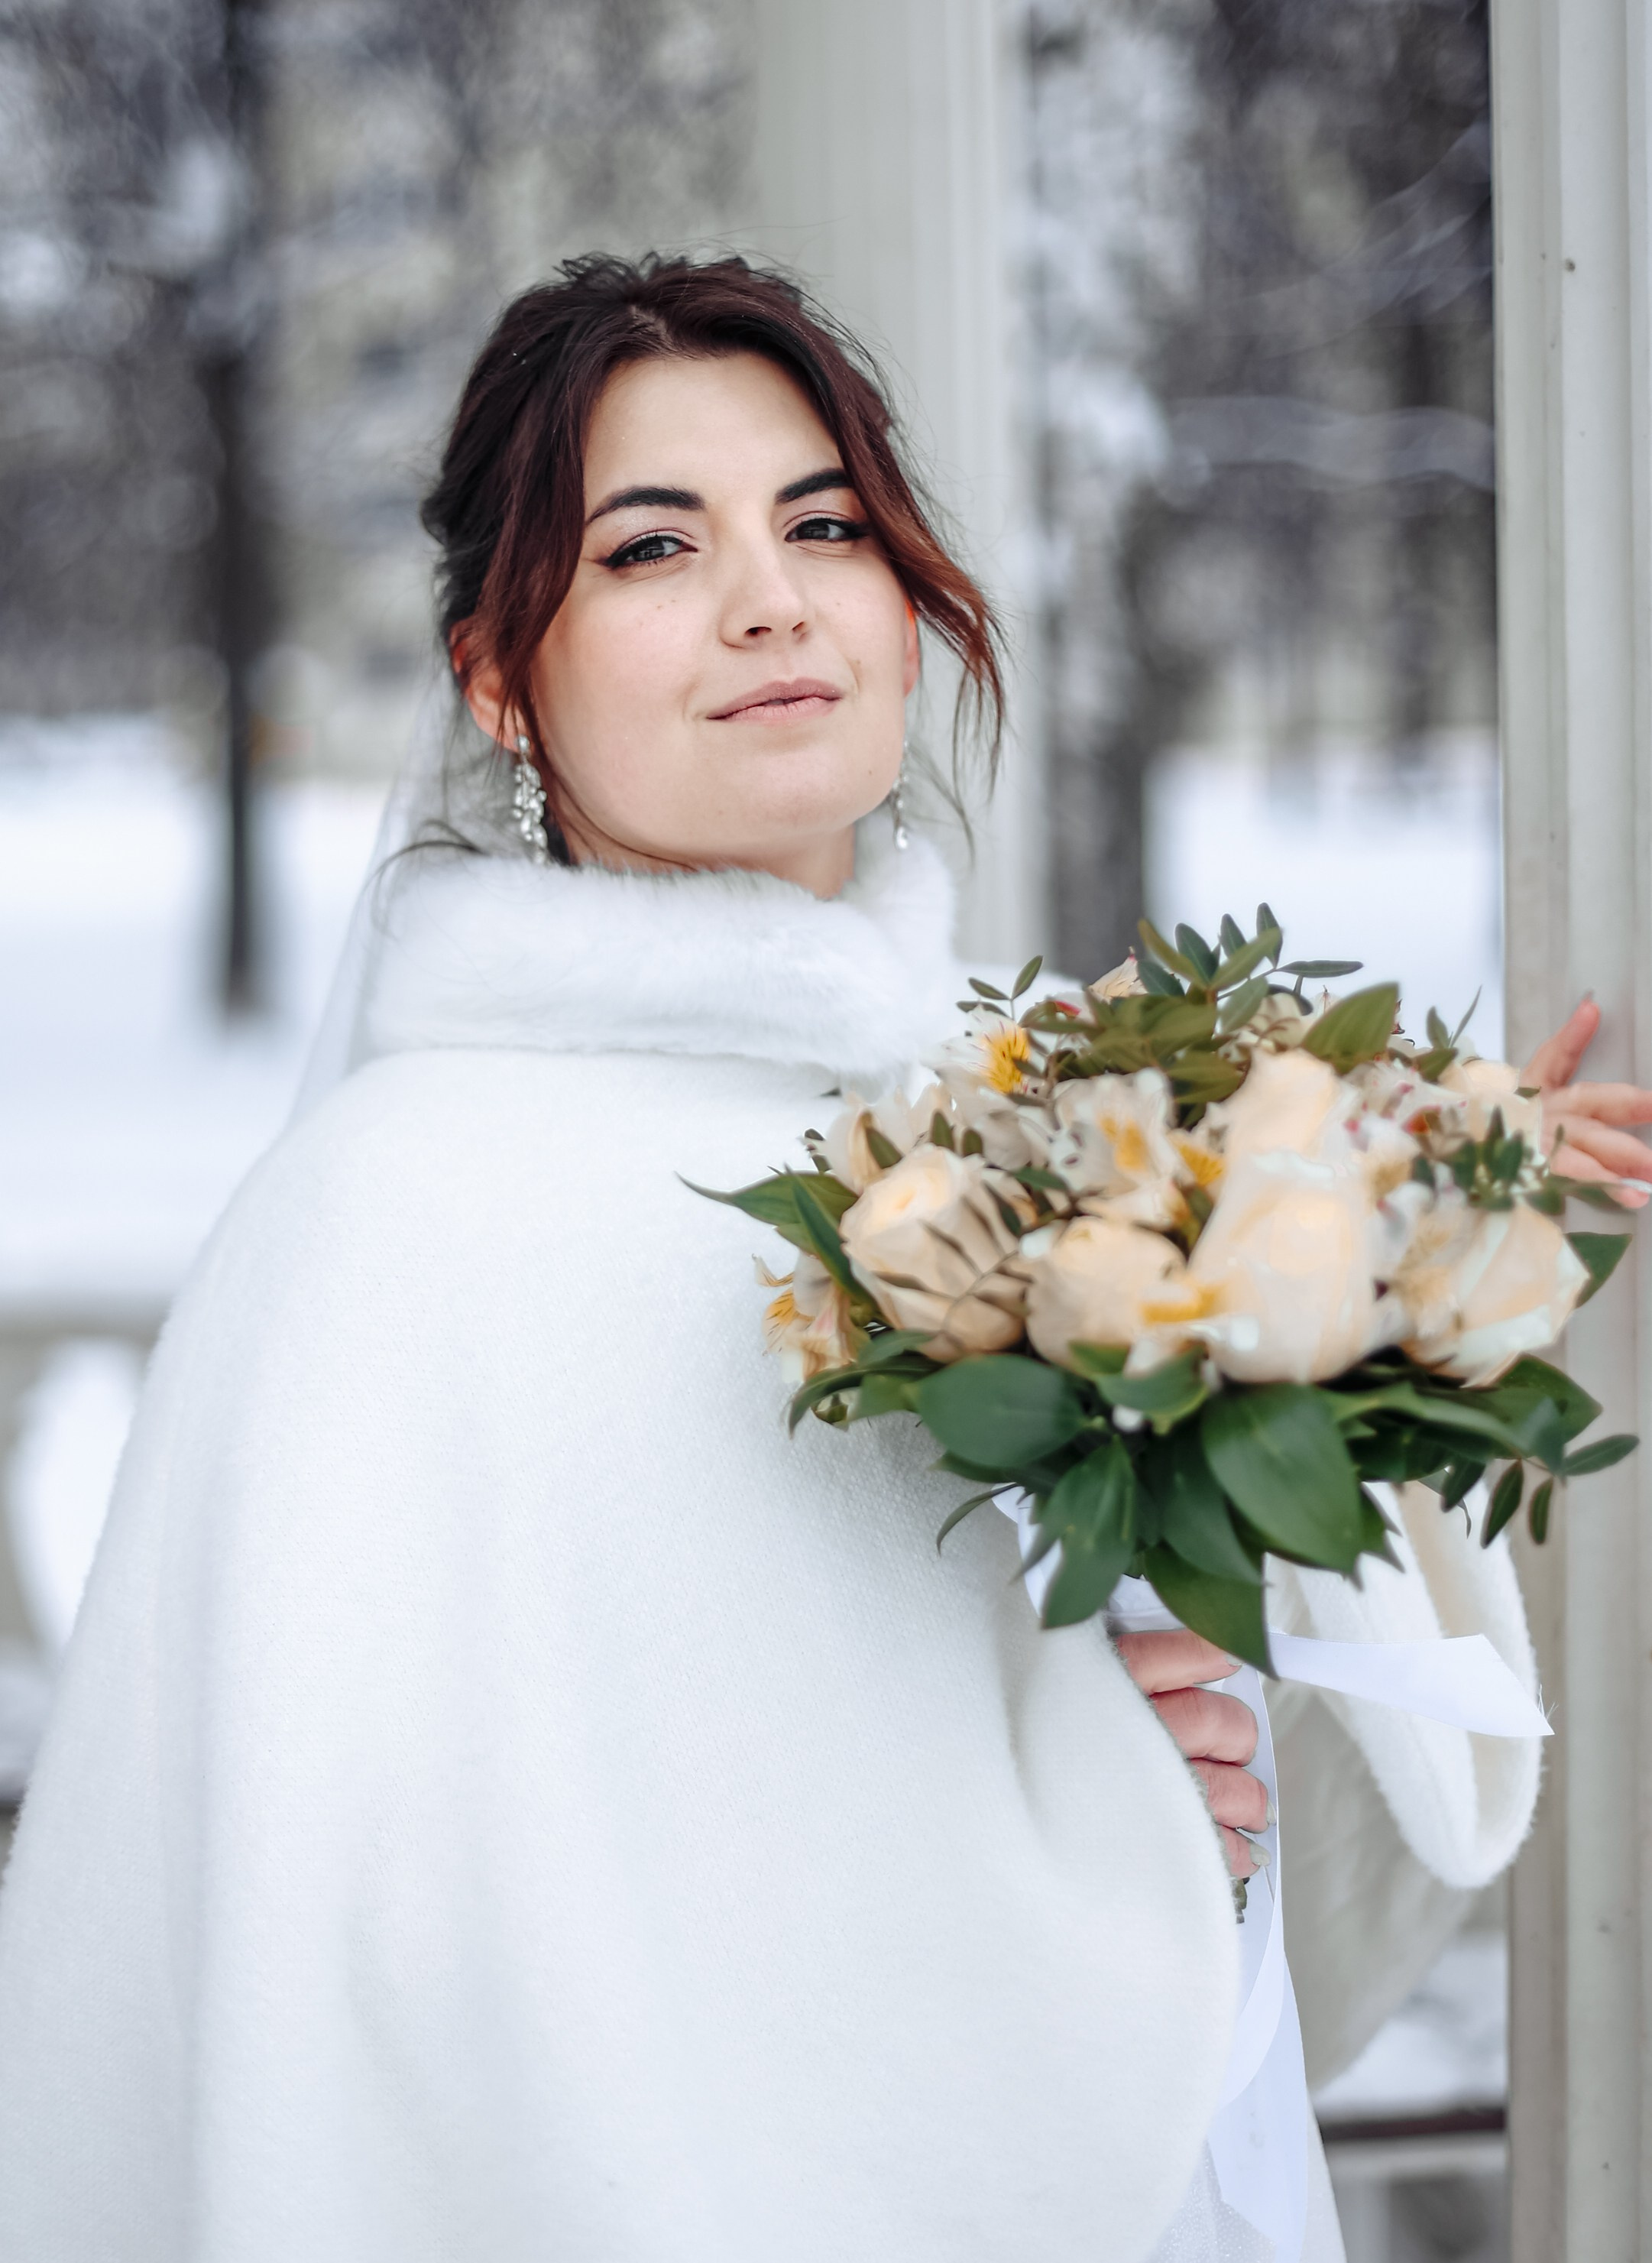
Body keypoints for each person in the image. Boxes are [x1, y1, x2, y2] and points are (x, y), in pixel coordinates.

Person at [0, 253, 1647, 2263]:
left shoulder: (1063, 1125)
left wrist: (1416, 1241)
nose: (772, 600)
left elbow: (1240, 1774)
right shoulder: (396, 1229)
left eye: (825, 523)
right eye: (648, 548)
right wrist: (1100, 1846)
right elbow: (443, 2011)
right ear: (496, 677)